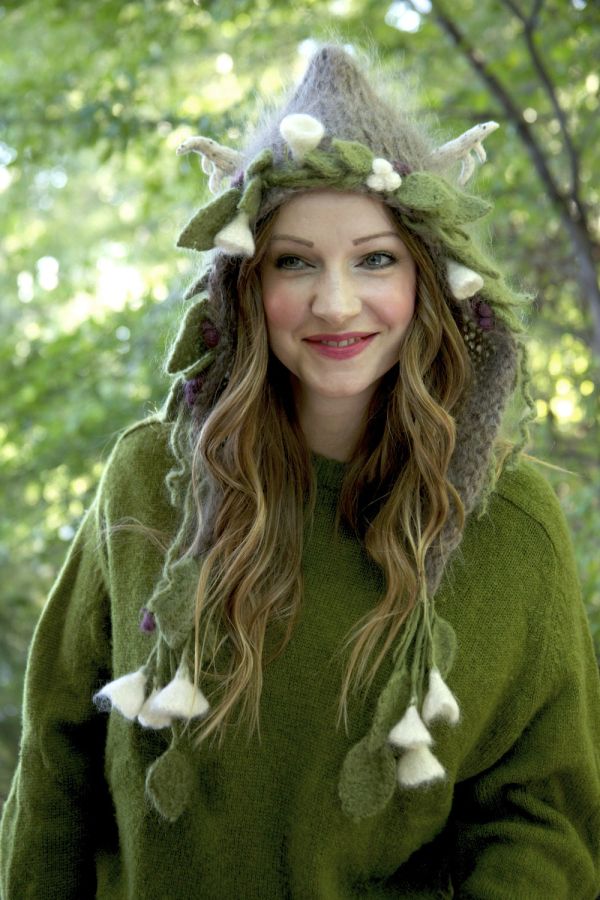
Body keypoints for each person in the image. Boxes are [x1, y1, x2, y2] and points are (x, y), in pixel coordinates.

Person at [1, 44, 599, 899]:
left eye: (375, 259)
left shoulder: (509, 526)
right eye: (294, 261)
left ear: (429, 280)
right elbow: (55, 765)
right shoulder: (148, 485)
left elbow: (542, 817)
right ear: (246, 283)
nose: (336, 302)